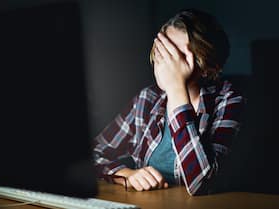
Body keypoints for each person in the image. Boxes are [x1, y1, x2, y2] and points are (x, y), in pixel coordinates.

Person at [92, 9, 245, 196]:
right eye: (162, 50)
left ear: (206, 68)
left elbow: (202, 183)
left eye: (176, 55)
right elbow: (93, 154)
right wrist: (125, 174)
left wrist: (176, 90)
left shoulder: (229, 100)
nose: (164, 61)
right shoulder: (147, 100)